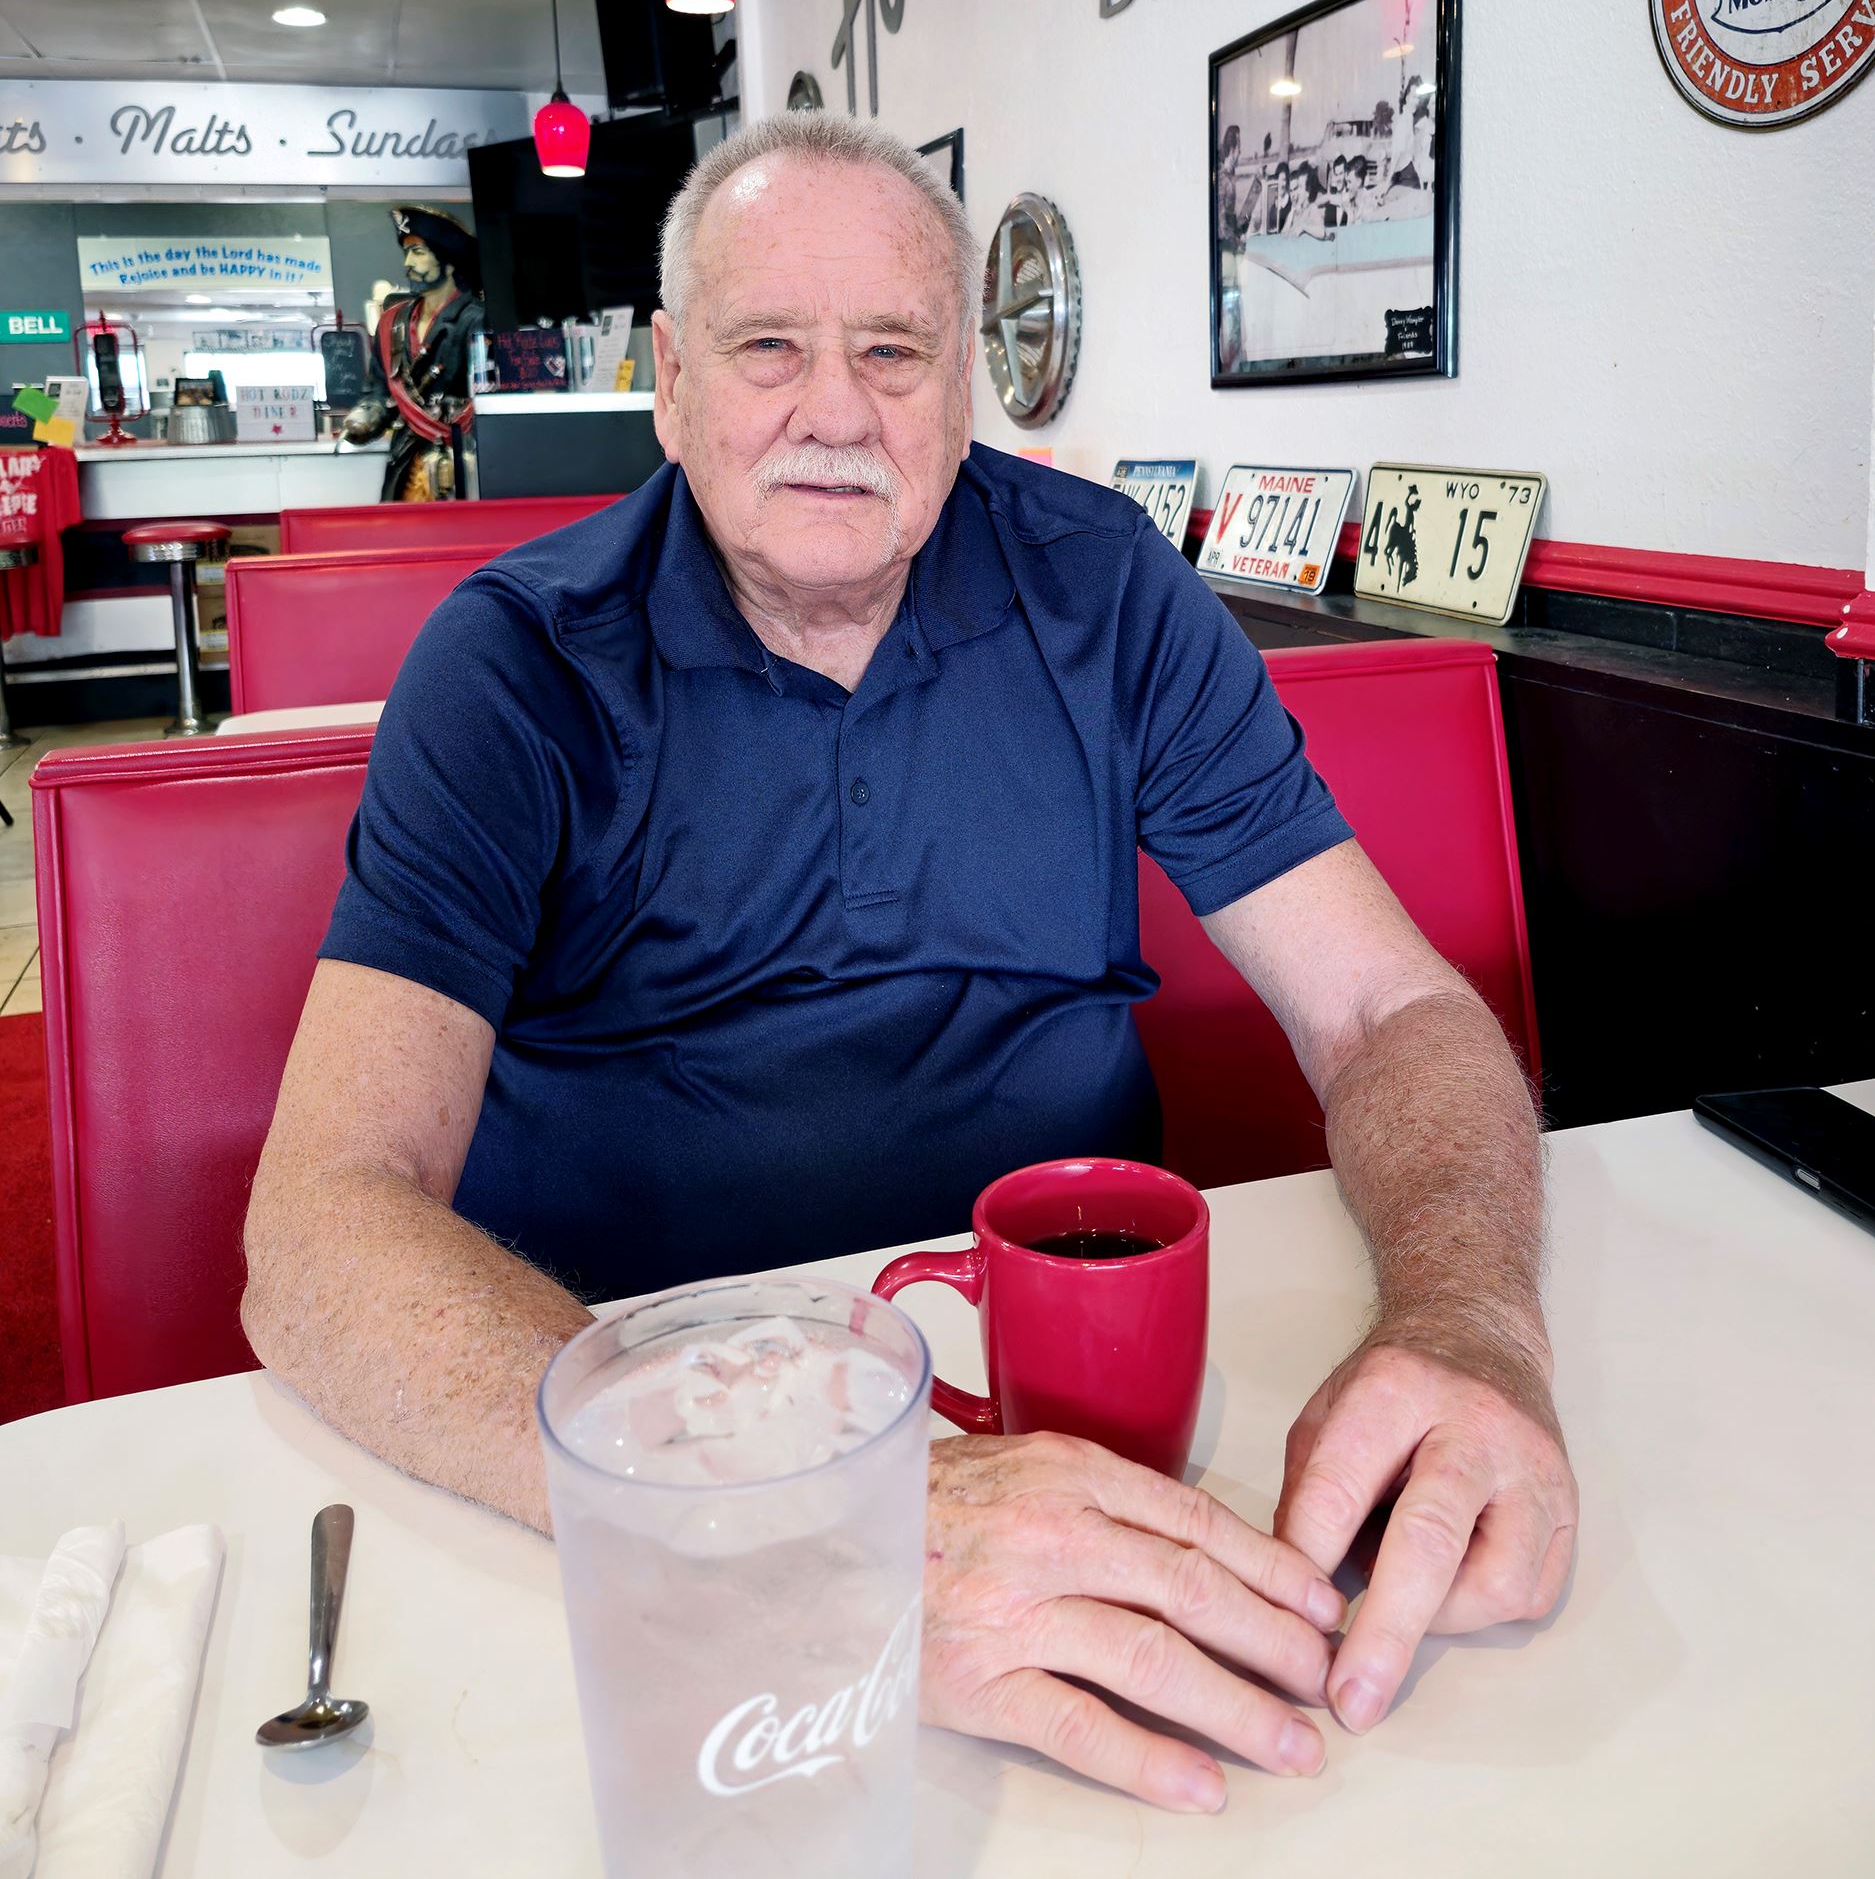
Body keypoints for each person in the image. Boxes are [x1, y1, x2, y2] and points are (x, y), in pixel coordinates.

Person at [244, 112, 1575, 1815]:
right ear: (668, 379)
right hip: (626, 1451)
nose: (836, 410)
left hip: (1085, 1417)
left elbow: (1389, 1006)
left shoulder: (1112, 594)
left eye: (894, 351)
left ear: (964, 390)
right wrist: (776, 1533)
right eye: (768, 349)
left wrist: (1474, 1319)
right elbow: (318, 1223)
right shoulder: (517, 667)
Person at [340, 204, 483, 499]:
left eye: (418, 252)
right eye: (407, 252)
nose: (407, 262)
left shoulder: (477, 320)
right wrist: (369, 413)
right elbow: (379, 390)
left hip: (464, 462)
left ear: (449, 260)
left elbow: (489, 401)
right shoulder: (393, 322)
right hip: (408, 460)